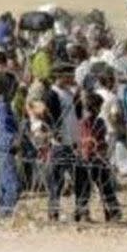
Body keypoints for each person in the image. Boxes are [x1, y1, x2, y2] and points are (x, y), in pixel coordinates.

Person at [75, 92, 121, 222]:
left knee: (91, 187)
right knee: (99, 186)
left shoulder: (89, 122)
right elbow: (90, 140)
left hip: (90, 157)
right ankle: (110, 212)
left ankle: (88, 212)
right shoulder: (89, 122)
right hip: (91, 158)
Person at [47, 63, 79, 221]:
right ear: (59, 76)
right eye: (68, 75)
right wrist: (56, 133)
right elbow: (50, 117)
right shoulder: (53, 94)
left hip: (72, 142)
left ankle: (81, 211)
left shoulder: (69, 93)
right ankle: (53, 212)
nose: (71, 78)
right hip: (60, 144)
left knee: (79, 177)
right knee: (57, 180)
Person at [0, 77, 21, 218]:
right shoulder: (3, 107)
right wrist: (12, 142)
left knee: (2, 180)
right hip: (4, 147)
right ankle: (6, 212)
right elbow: (3, 129)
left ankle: (1, 210)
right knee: (12, 183)